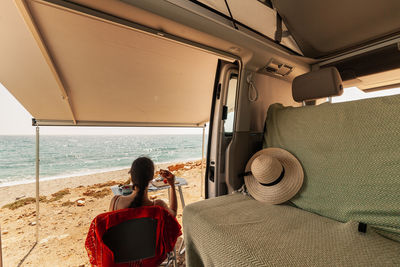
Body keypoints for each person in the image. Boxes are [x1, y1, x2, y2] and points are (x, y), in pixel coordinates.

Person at [109, 157, 177, 216]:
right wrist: (172, 185)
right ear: (151, 178)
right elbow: (173, 214)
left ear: (131, 177)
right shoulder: (158, 206)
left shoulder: (115, 202)